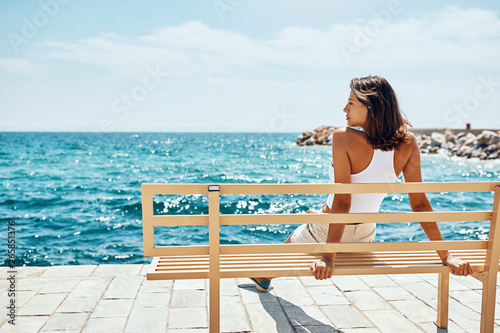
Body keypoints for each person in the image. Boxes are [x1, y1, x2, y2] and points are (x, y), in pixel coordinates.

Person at [251, 75, 473, 293]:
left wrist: (329, 257)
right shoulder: (408, 143)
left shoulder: (343, 137)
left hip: (328, 234)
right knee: (309, 223)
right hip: (365, 236)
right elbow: (420, 205)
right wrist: (447, 256)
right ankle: (264, 276)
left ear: (371, 107)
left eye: (351, 102)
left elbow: (343, 202)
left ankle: (262, 275)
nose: (344, 109)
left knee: (302, 232)